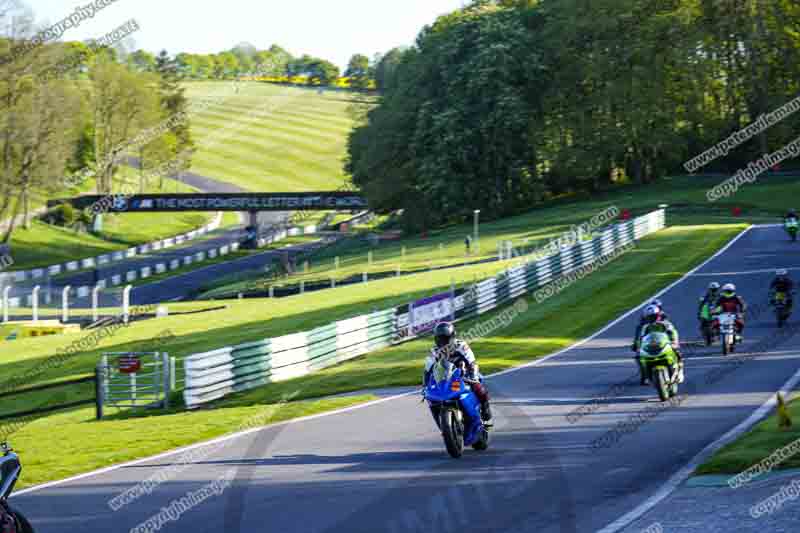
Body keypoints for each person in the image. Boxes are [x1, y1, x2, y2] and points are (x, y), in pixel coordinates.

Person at [426, 322, 493, 426]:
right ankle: (441, 423)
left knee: (478, 384)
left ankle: (485, 408)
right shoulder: (434, 351)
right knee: (430, 397)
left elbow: (472, 362)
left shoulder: (461, 345)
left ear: (452, 337)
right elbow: (428, 371)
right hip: (445, 378)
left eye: (444, 338)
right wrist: (425, 385)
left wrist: (473, 376)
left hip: (464, 374)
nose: (442, 341)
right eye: (439, 338)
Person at [632, 305, 683, 385]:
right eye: (649, 317)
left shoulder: (666, 324)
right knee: (639, 357)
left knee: (677, 352)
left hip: (665, 345)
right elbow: (641, 338)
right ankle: (646, 375)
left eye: (654, 316)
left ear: (658, 315)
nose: (652, 319)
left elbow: (673, 332)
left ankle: (679, 370)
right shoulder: (645, 327)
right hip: (651, 347)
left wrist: (674, 341)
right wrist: (638, 346)